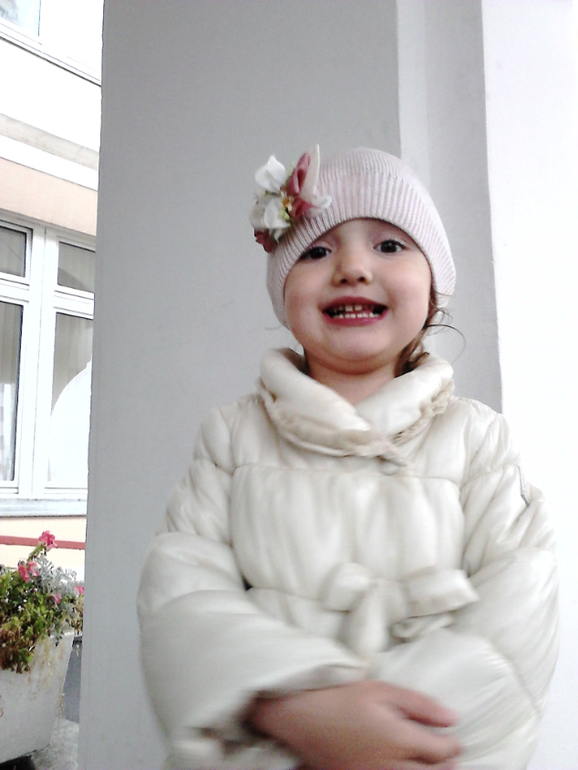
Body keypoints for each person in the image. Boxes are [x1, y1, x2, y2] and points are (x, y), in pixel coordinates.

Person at [137, 147, 558, 770]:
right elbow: (180, 599)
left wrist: (396, 738)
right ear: (284, 293)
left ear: (432, 290)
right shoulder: (232, 438)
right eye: (315, 251)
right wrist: (297, 709)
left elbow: (516, 624)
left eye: (389, 245)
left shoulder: (479, 442)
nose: (353, 268)